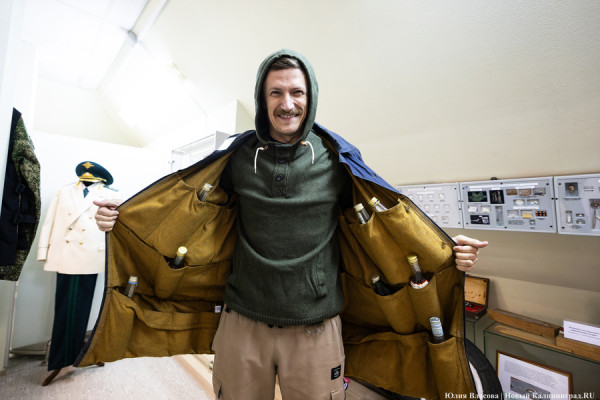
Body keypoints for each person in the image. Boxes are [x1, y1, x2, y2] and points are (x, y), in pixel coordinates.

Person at [94, 49, 488, 399]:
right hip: (241, 323)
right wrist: (121, 216)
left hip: (316, 329)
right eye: (276, 93)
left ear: (310, 97)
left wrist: (443, 249)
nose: (287, 104)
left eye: (296, 92)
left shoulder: (337, 157)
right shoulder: (236, 156)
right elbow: (186, 211)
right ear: (262, 99)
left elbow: (387, 223)